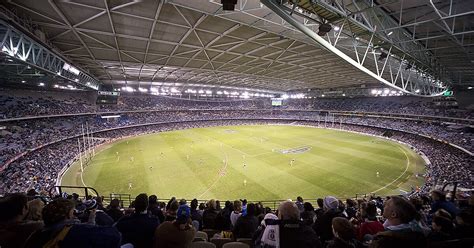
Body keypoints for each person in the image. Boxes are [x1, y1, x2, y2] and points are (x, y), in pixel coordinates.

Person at [24, 198, 120, 248]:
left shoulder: (35, 235)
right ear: (68, 215)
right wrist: (91, 220)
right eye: (72, 211)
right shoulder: (74, 231)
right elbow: (115, 235)